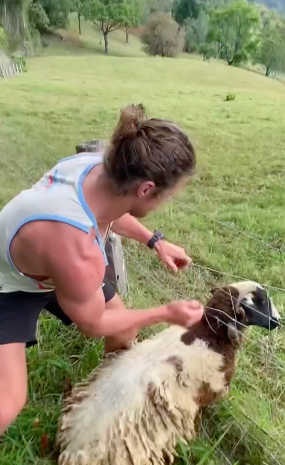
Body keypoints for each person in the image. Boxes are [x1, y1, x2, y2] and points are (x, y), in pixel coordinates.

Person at [0, 103, 204, 435]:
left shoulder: (101, 169)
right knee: (7, 403)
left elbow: (113, 210)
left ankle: (105, 399)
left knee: (123, 330)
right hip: (8, 284)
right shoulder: (78, 248)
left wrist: (156, 242)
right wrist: (166, 312)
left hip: (50, 265)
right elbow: (93, 323)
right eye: (167, 197)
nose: (166, 203)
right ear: (147, 189)